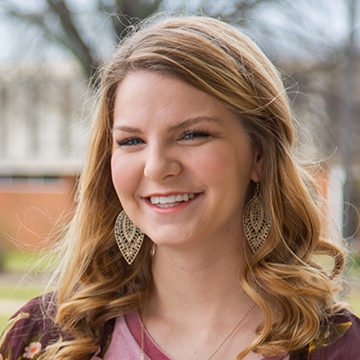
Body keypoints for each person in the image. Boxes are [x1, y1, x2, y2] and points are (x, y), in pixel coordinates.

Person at [0, 15, 359, 360]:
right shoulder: (43, 340)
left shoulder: (340, 348)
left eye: (192, 135)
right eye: (131, 141)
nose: (156, 167)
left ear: (259, 155)